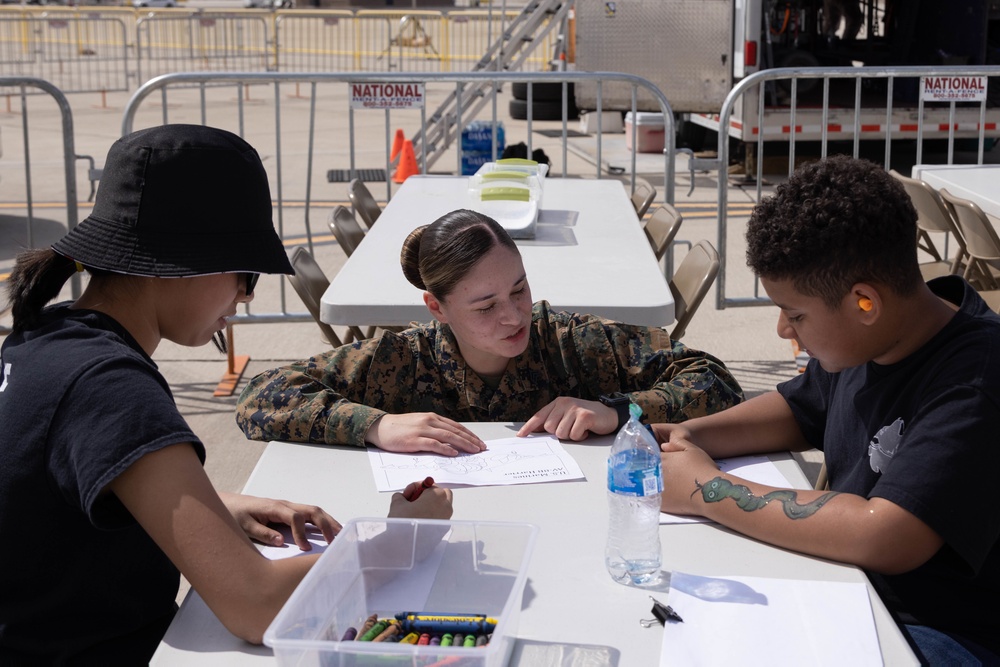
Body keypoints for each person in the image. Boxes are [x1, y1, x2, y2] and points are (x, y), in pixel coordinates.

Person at [0, 125, 452, 664]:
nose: (245, 295)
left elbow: (53, 506)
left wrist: (216, 508)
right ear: (180, 262)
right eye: (245, 272)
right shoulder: (109, 385)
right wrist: (398, 543)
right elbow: (255, 607)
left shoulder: (45, 339)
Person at [654, 155, 1000, 663]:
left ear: (865, 302)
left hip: (938, 631)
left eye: (794, 314)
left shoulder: (977, 381)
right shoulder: (872, 341)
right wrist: (687, 438)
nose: (782, 330)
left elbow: (885, 534)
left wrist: (705, 490)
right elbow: (798, 409)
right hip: (847, 590)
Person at [237, 208, 744, 455]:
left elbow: (716, 382)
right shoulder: (401, 359)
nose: (514, 316)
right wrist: (375, 425)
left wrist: (617, 411)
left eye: (519, 290)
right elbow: (261, 397)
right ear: (437, 308)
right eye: (485, 306)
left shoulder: (570, 343)